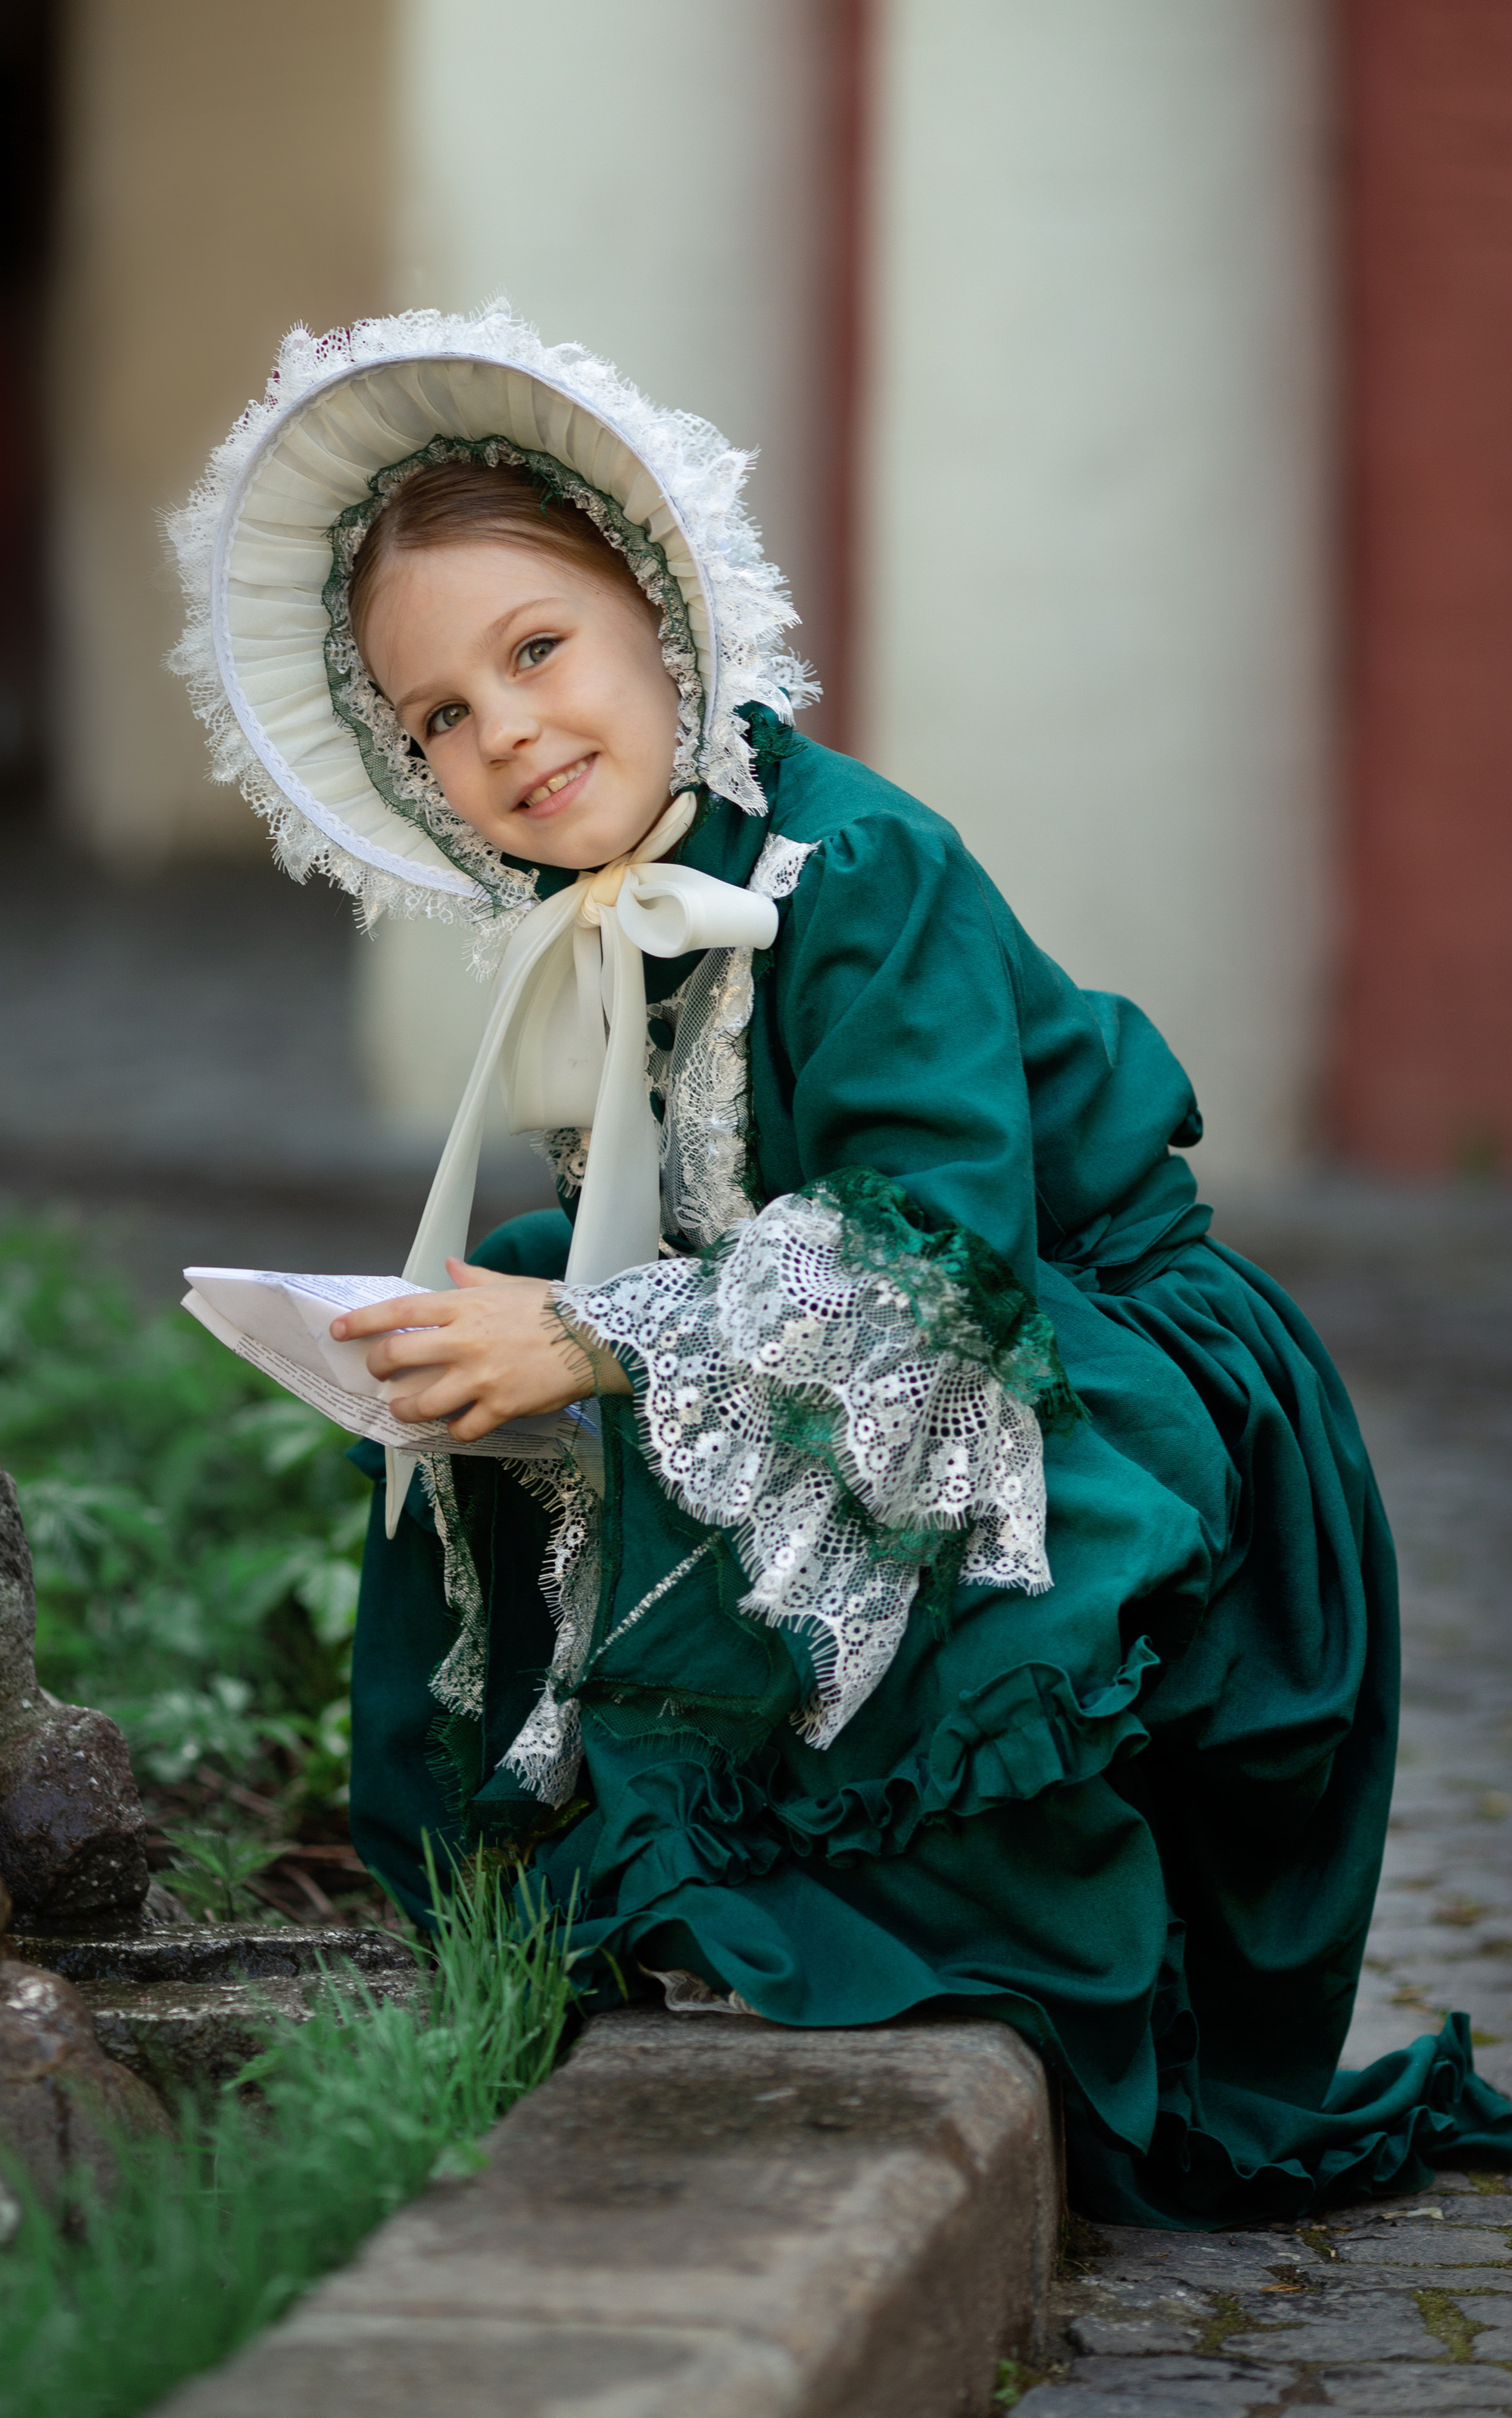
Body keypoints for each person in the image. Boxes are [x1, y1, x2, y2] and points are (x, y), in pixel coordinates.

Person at [171, 302, 1512, 2226]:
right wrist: (531, 1317)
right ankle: (589, 1875)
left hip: (1097, 1360)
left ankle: (915, 1910)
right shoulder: (606, 918)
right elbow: (689, 1214)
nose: (508, 735)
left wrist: (603, 1331)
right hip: (889, 1311)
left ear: (664, 611)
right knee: (486, 1357)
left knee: (652, 1363)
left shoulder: (849, 870)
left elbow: (935, 1246)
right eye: (439, 721)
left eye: (534, 651)